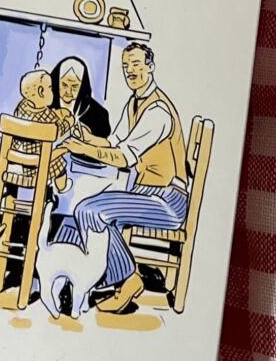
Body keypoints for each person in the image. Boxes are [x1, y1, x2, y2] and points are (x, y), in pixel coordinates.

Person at [47, 42, 188, 316]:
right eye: (125, 66)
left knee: (90, 211)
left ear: (150, 66)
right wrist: (84, 136)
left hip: (167, 200)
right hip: (144, 192)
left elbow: (123, 157)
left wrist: (81, 147)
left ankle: (127, 280)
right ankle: (70, 281)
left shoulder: (157, 112)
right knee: (80, 205)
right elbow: (113, 141)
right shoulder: (135, 103)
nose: (130, 71)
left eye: (136, 64)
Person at [14, 68, 76, 189]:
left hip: (26, 164)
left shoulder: (22, 107)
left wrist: (57, 113)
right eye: (50, 88)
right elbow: (58, 130)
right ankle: (62, 187)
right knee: (60, 167)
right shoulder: (47, 116)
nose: (53, 92)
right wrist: (70, 121)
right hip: (43, 163)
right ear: (41, 92)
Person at [52, 54, 112, 139]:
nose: (68, 91)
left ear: (82, 85)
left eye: (74, 87)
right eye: (64, 85)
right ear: (57, 81)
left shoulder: (98, 114)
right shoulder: (44, 106)